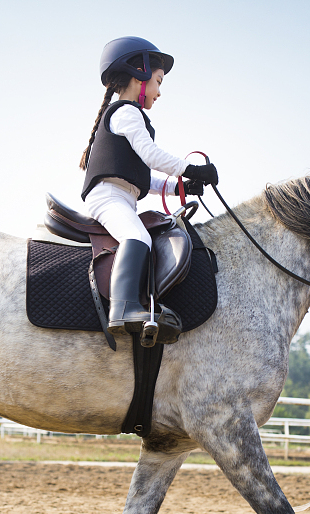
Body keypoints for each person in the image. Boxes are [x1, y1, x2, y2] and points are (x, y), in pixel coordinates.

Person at [80, 36, 218, 342]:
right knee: (137, 235)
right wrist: (191, 168)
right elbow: (153, 156)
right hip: (108, 197)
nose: (159, 91)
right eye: (157, 81)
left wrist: (183, 185)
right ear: (138, 74)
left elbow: (145, 176)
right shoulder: (126, 112)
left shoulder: (129, 116)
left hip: (122, 195)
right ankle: (124, 307)